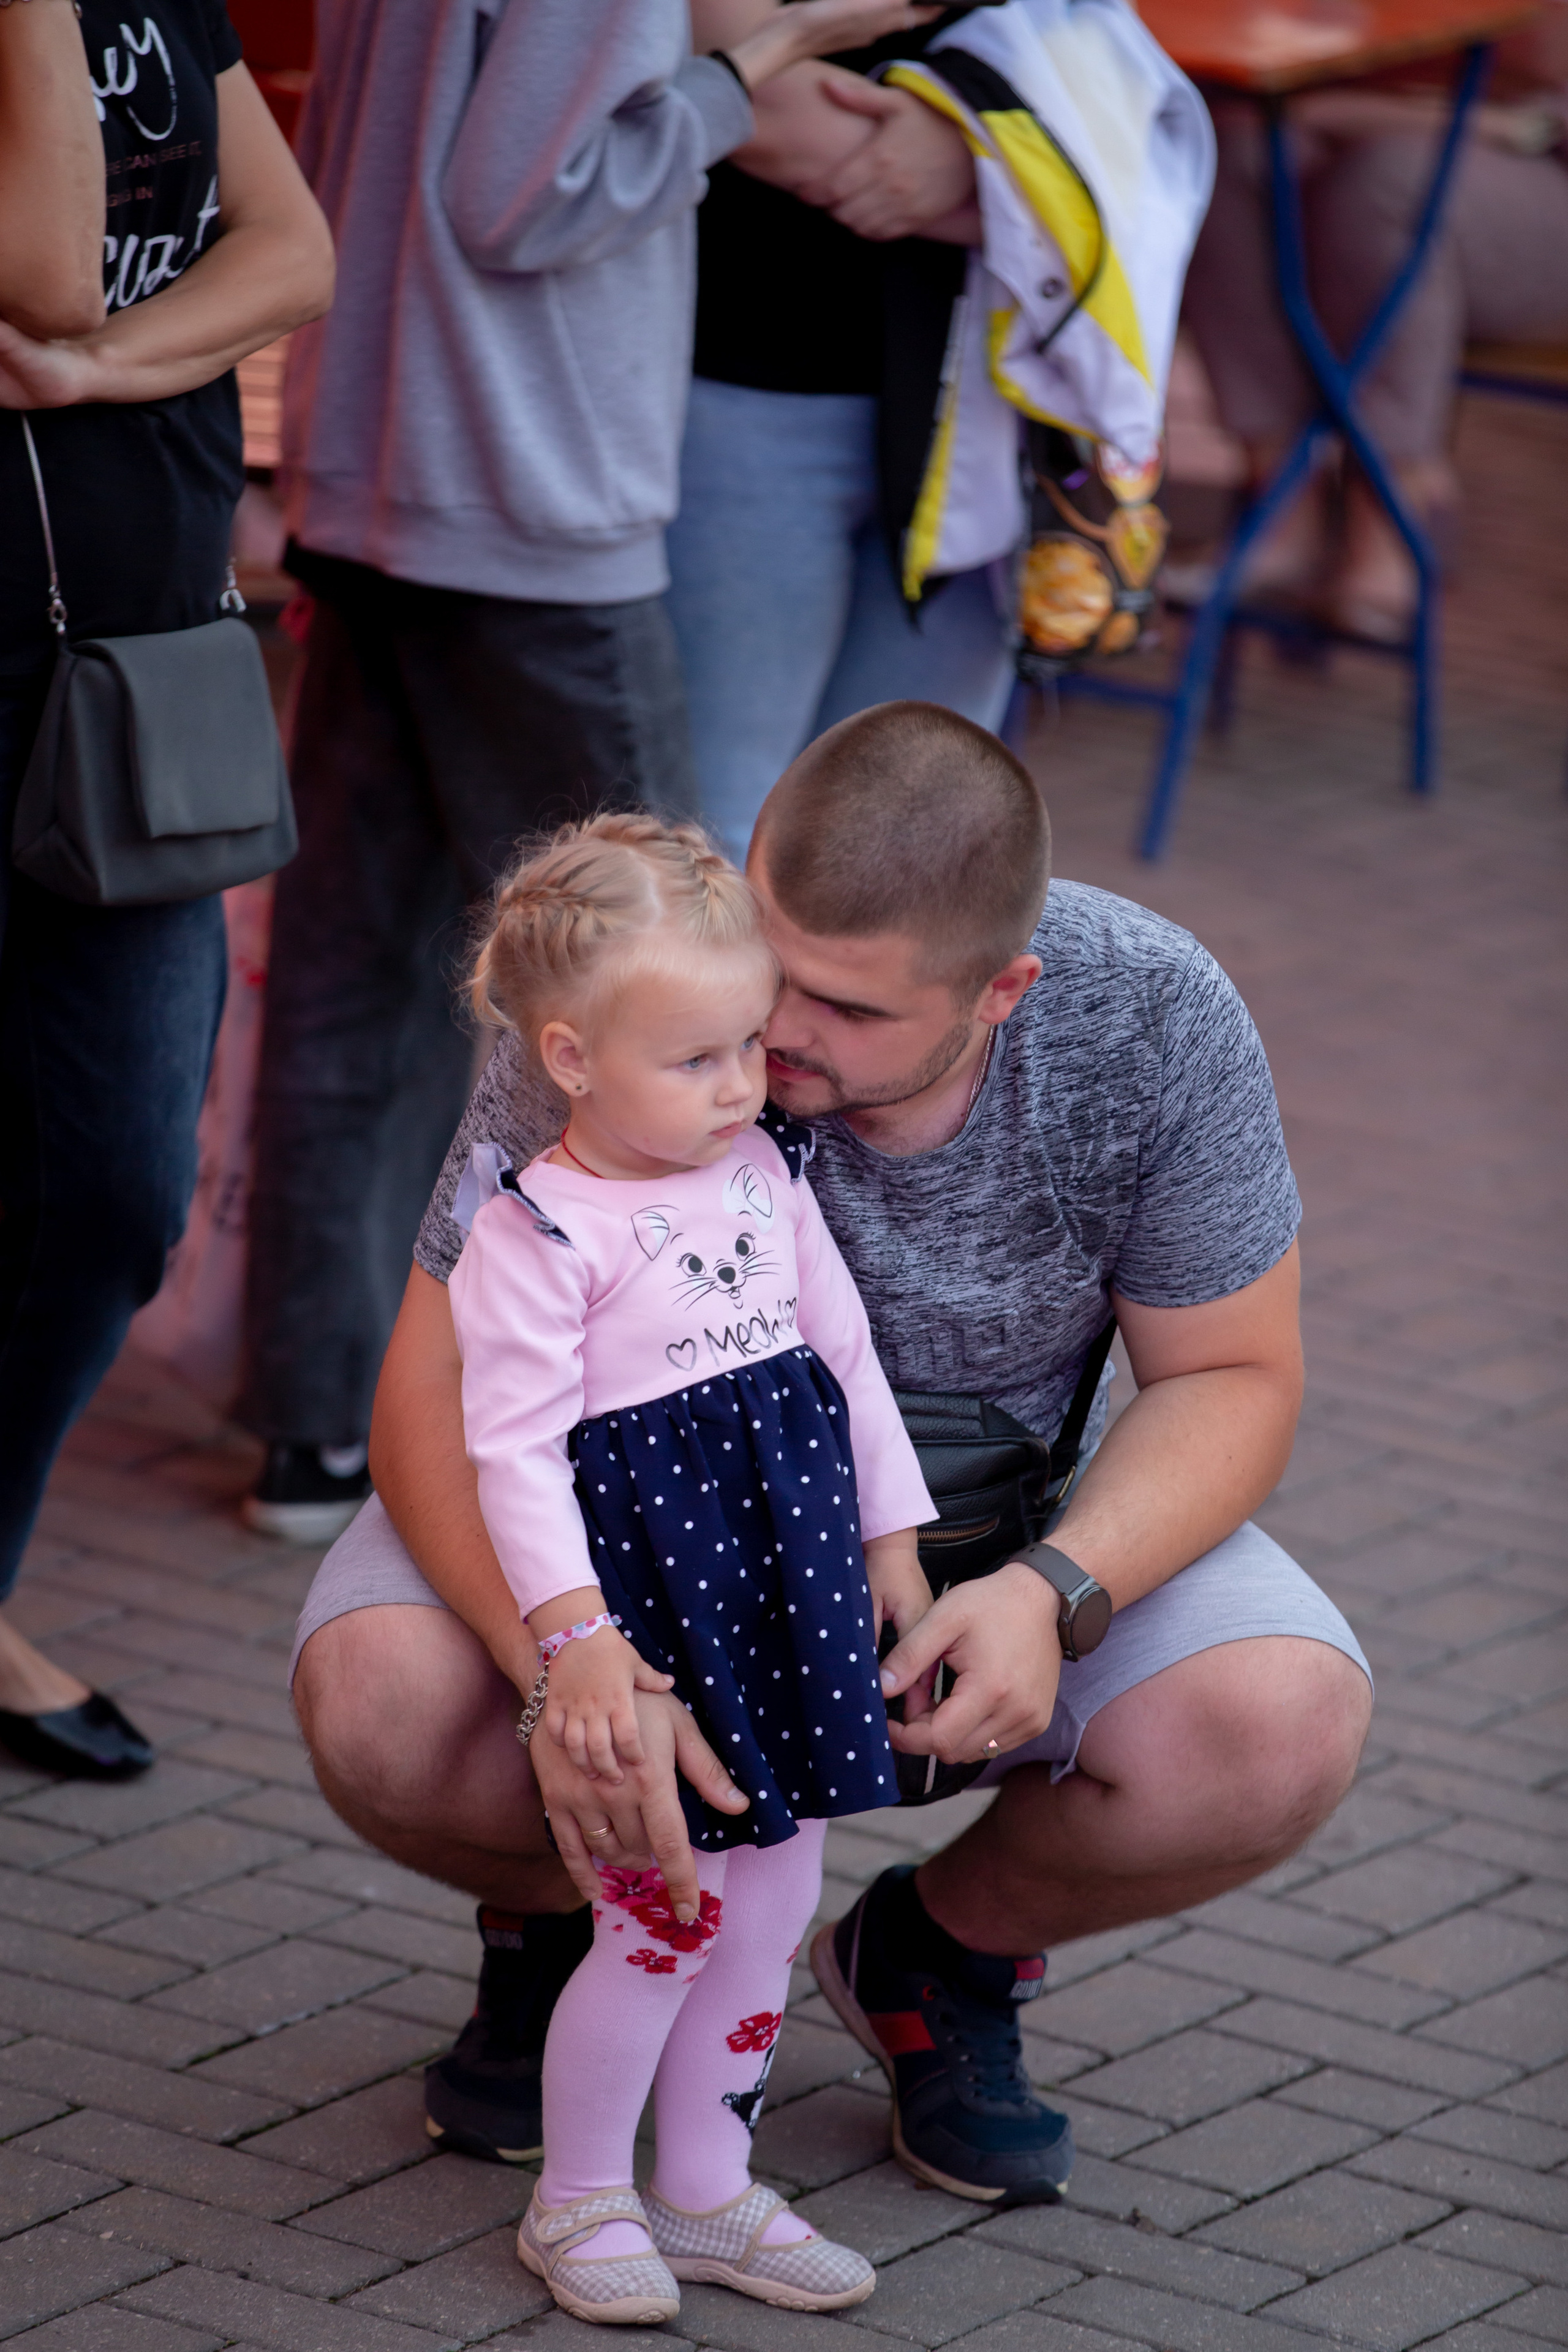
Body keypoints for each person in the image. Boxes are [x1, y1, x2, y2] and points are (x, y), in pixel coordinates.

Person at [290, 699, 1373, 2207]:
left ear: (1002, 988)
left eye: (848, 1011)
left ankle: (932, 1957)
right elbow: (429, 1390)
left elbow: (1234, 1374)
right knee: (380, 1696)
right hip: (618, 1552)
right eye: (773, 966)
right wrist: (561, 1669)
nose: (770, 1036)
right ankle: (583, 1920)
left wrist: (1057, 1586)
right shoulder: (643, 972)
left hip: (973, 1538)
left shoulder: (1151, 1017)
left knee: (1278, 1721)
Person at [239, 0, 944, 1544]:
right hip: (528, 488)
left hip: (378, 464)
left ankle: (313, 1424)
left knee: (361, 970)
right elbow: (530, 196)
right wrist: (752, 64)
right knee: (661, 985)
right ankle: (641, 1422)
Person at [451, 812, 933, 2319]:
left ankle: (707, 2187)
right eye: (695, 1059)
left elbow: (839, 1353)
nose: (740, 1084)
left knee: (771, 1900)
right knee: (660, 1910)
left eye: (746, 1046)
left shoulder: (758, 1171)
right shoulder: (535, 1229)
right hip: (653, 1616)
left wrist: (890, 1535)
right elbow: (513, 1451)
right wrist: (575, 1637)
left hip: (785, 1589)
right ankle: (577, 2195)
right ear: (572, 1054)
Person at [0, 0, 333, 1777]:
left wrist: (107, 374)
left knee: (118, 1183)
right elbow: (47, 271)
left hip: (137, 679)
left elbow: (293, 250)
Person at [673, 2, 1006, 860]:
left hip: (982, 405)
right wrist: (1010, 173)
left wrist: (978, 162)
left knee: (911, 857)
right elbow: (738, 77)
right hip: (748, 370)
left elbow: (1116, 84)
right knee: (717, 840)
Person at [1182, 5, 1568, 639]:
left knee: (1387, 185)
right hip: (1332, 113)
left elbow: (1538, 86)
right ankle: (1280, 495)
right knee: (1231, 156)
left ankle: (1394, 504)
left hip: (1533, 170)